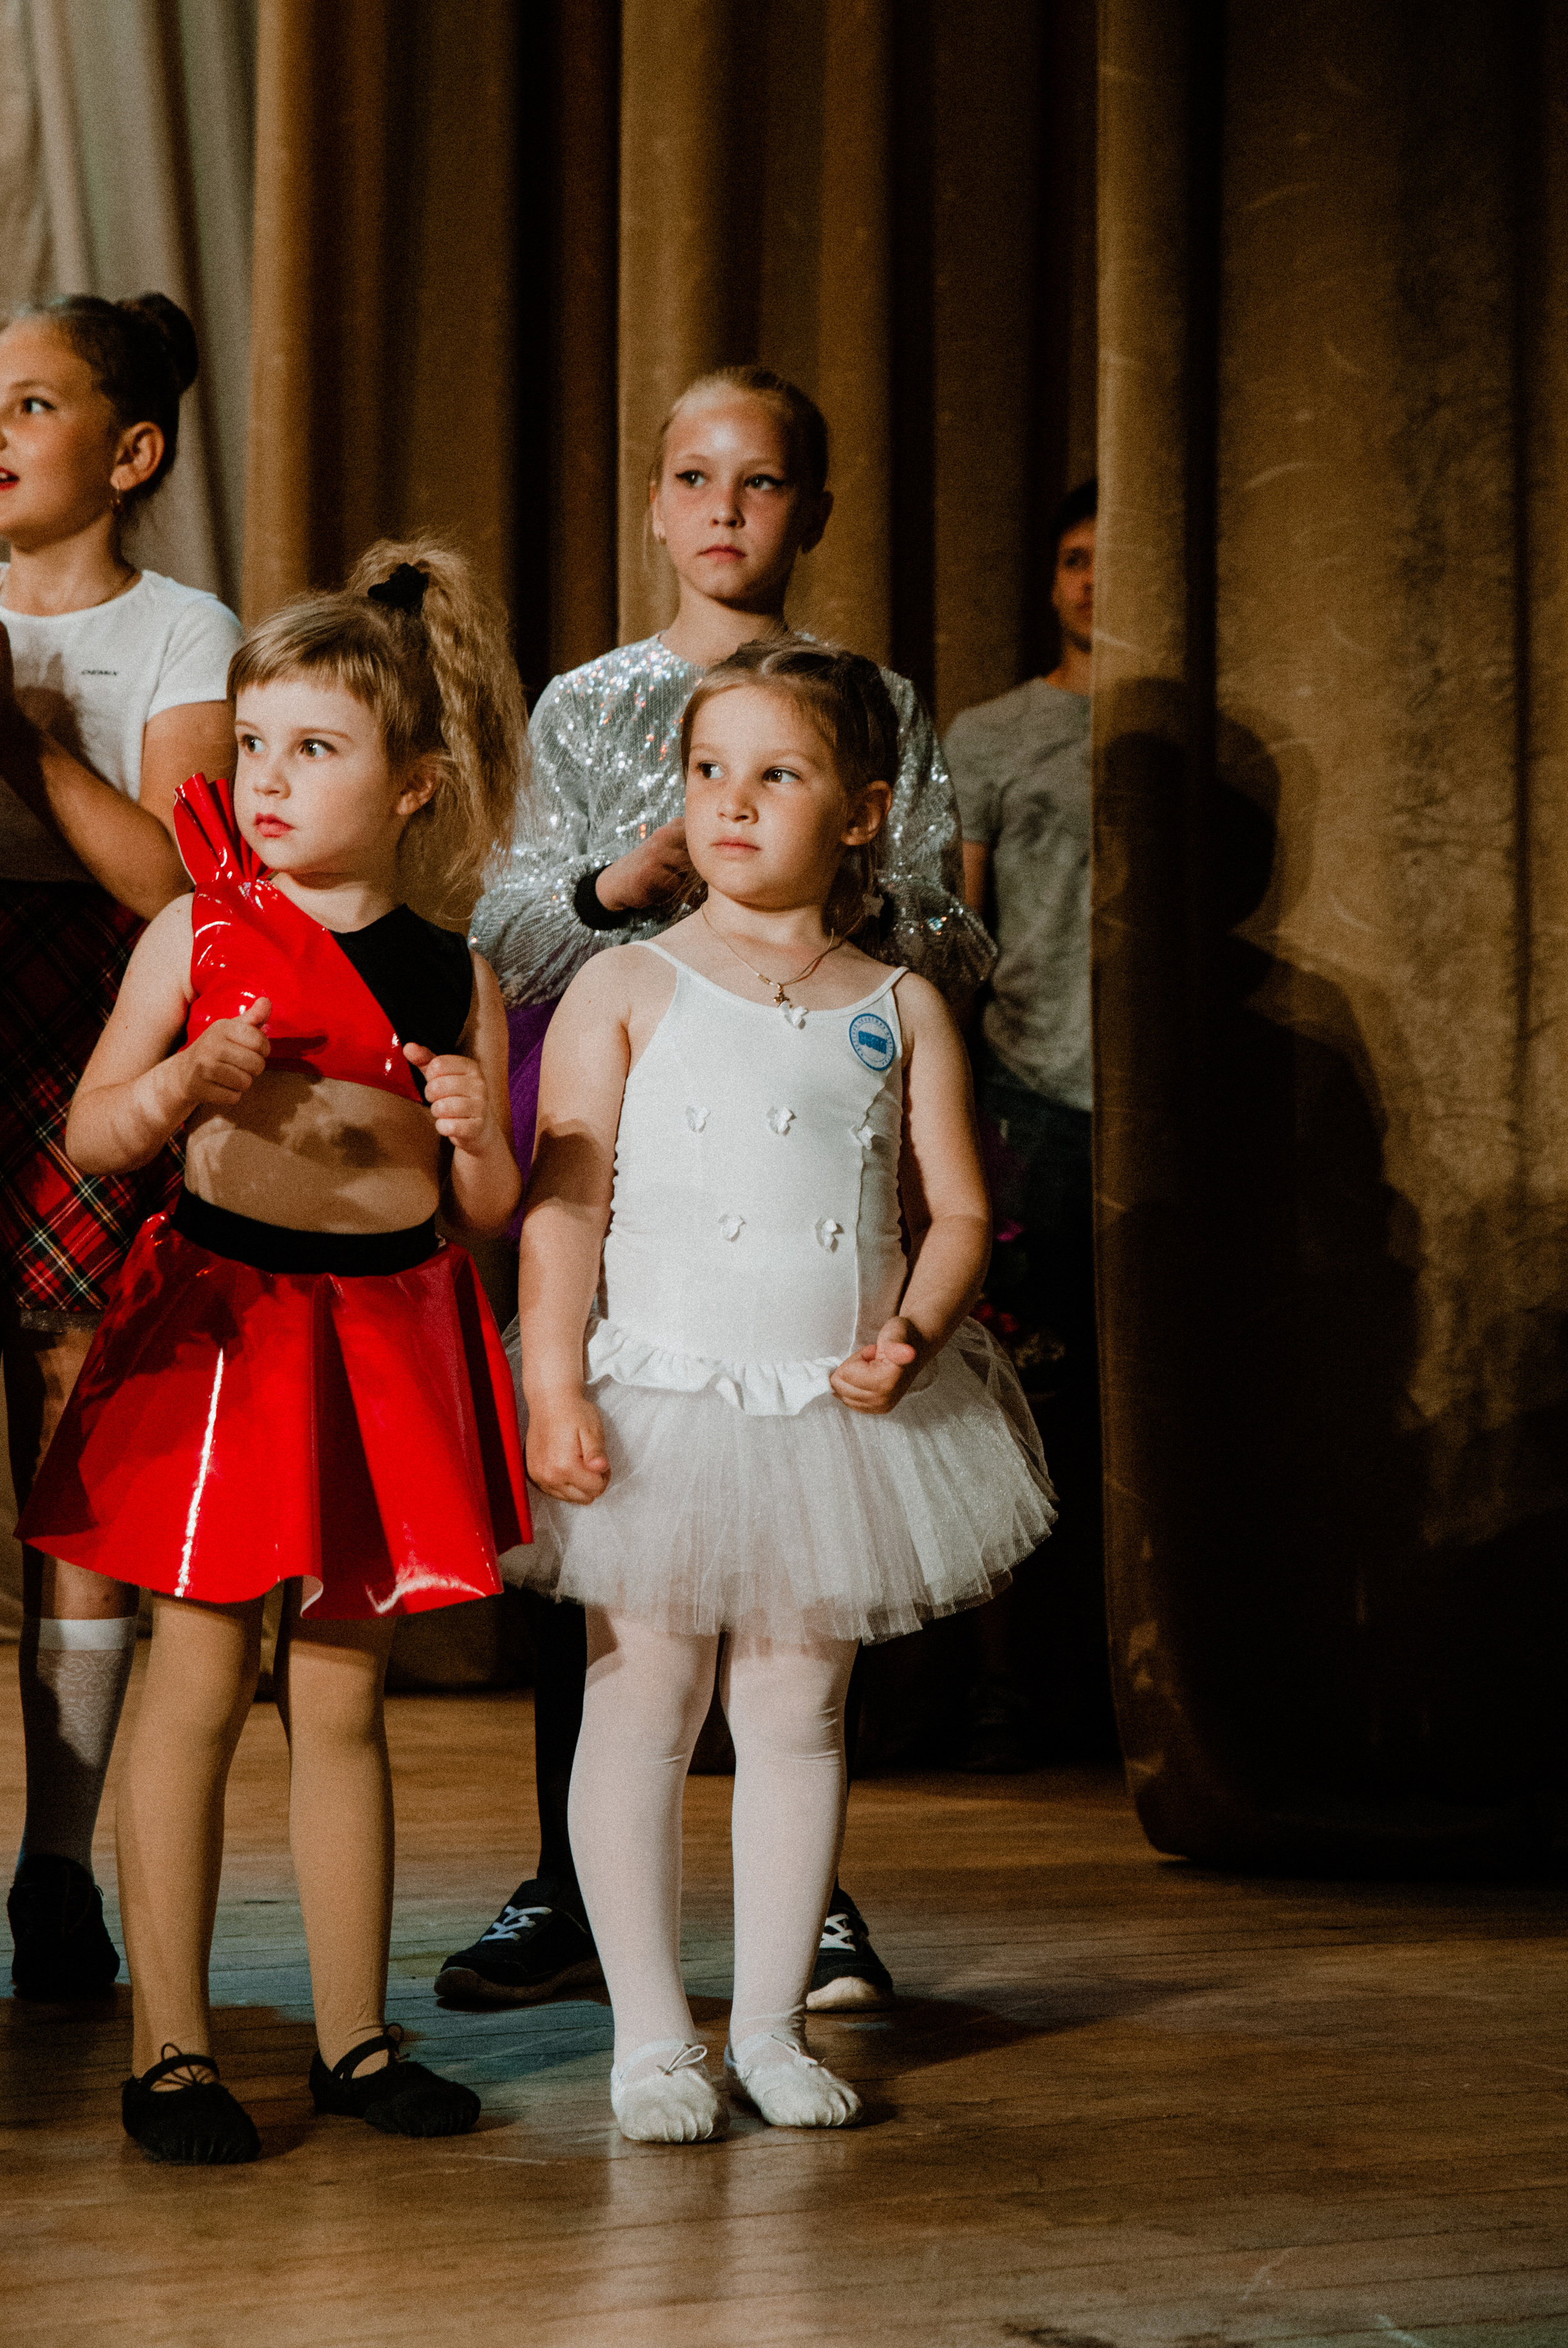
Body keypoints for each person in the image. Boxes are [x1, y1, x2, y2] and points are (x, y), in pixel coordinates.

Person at [442, 363, 995, 2019]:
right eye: (693, 480)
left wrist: (852, 909)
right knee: (628, 1561)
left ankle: (803, 1915)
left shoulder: (865, 699)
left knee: (799, 1582)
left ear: (807, 513)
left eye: (758, 486)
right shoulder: (592, 705)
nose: (723, 513)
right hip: (638, 1098)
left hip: (808, 1107)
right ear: (656, 499)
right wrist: (632, 875)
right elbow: (516, 930)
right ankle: (573, 1885)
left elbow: (953, 939)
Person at [17, 544, 533, 2166]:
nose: (267, 779)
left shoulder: (457, 972)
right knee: (194, 1688)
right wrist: (178, 1094)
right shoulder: (192, 934)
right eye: (253, 745)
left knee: (342, 1697)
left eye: (314, 749)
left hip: (383, 1338)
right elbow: (96, 1132)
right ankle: (170, 2049)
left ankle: (353, 2039)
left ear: (415, 788)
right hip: (226, 1335)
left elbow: (489, 1214)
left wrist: (473, 1141)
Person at [506, 638, 1052, 2141]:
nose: (730, 804)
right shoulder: (626, 982)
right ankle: (648, 2035)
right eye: (707, 772)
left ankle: (764, 2023)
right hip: (666, 1398)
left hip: (831, 1413)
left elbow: (950, 1212)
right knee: (645, 1701)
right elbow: (564, 1204)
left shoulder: (900, 1002)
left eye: (777, 774)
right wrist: (553, 1383)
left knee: (800, 1711)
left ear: (862, 809)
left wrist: (914, 1334)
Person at [0, 294, 239, 1998]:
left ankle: (56, 1869)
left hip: (96, 1019)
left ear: (128, 453)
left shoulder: (180, 634)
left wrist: (10, 736)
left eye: (33, 403)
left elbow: (185, 897)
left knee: (70, 1431)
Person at [942, 478, 1112, 1766]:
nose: (1091, 583)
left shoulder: (1182, 728)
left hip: (1157, 1107)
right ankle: (1003, 1685)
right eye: (1071, 560)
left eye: (1115, 561)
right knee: (1018, 1386)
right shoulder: (994, 734)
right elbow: (963, 925)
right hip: (1026, 1093)